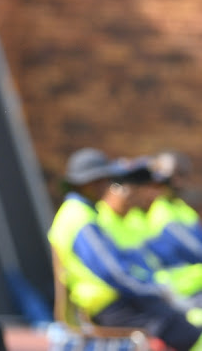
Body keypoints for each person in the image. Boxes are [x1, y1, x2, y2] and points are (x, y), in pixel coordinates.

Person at [49, 147, 202, 351]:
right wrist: (152, 291)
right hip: (113, 306)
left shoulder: (83, 213)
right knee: (188, 333)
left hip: (121, 301)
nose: (107, 186)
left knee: (184, 325)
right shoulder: (79, 217)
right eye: (103, 181)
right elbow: (112, 272)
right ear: (88, 184)